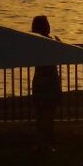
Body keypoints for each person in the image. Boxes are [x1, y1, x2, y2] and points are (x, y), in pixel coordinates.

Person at [31, 14, 62, 151]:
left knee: (42, 115)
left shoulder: (34, 42)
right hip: (49, 82)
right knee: (48, 115)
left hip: (41, 82)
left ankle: (43, 142)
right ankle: (47, 143)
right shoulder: (50, 43)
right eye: (47, 24)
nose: (49, 26)